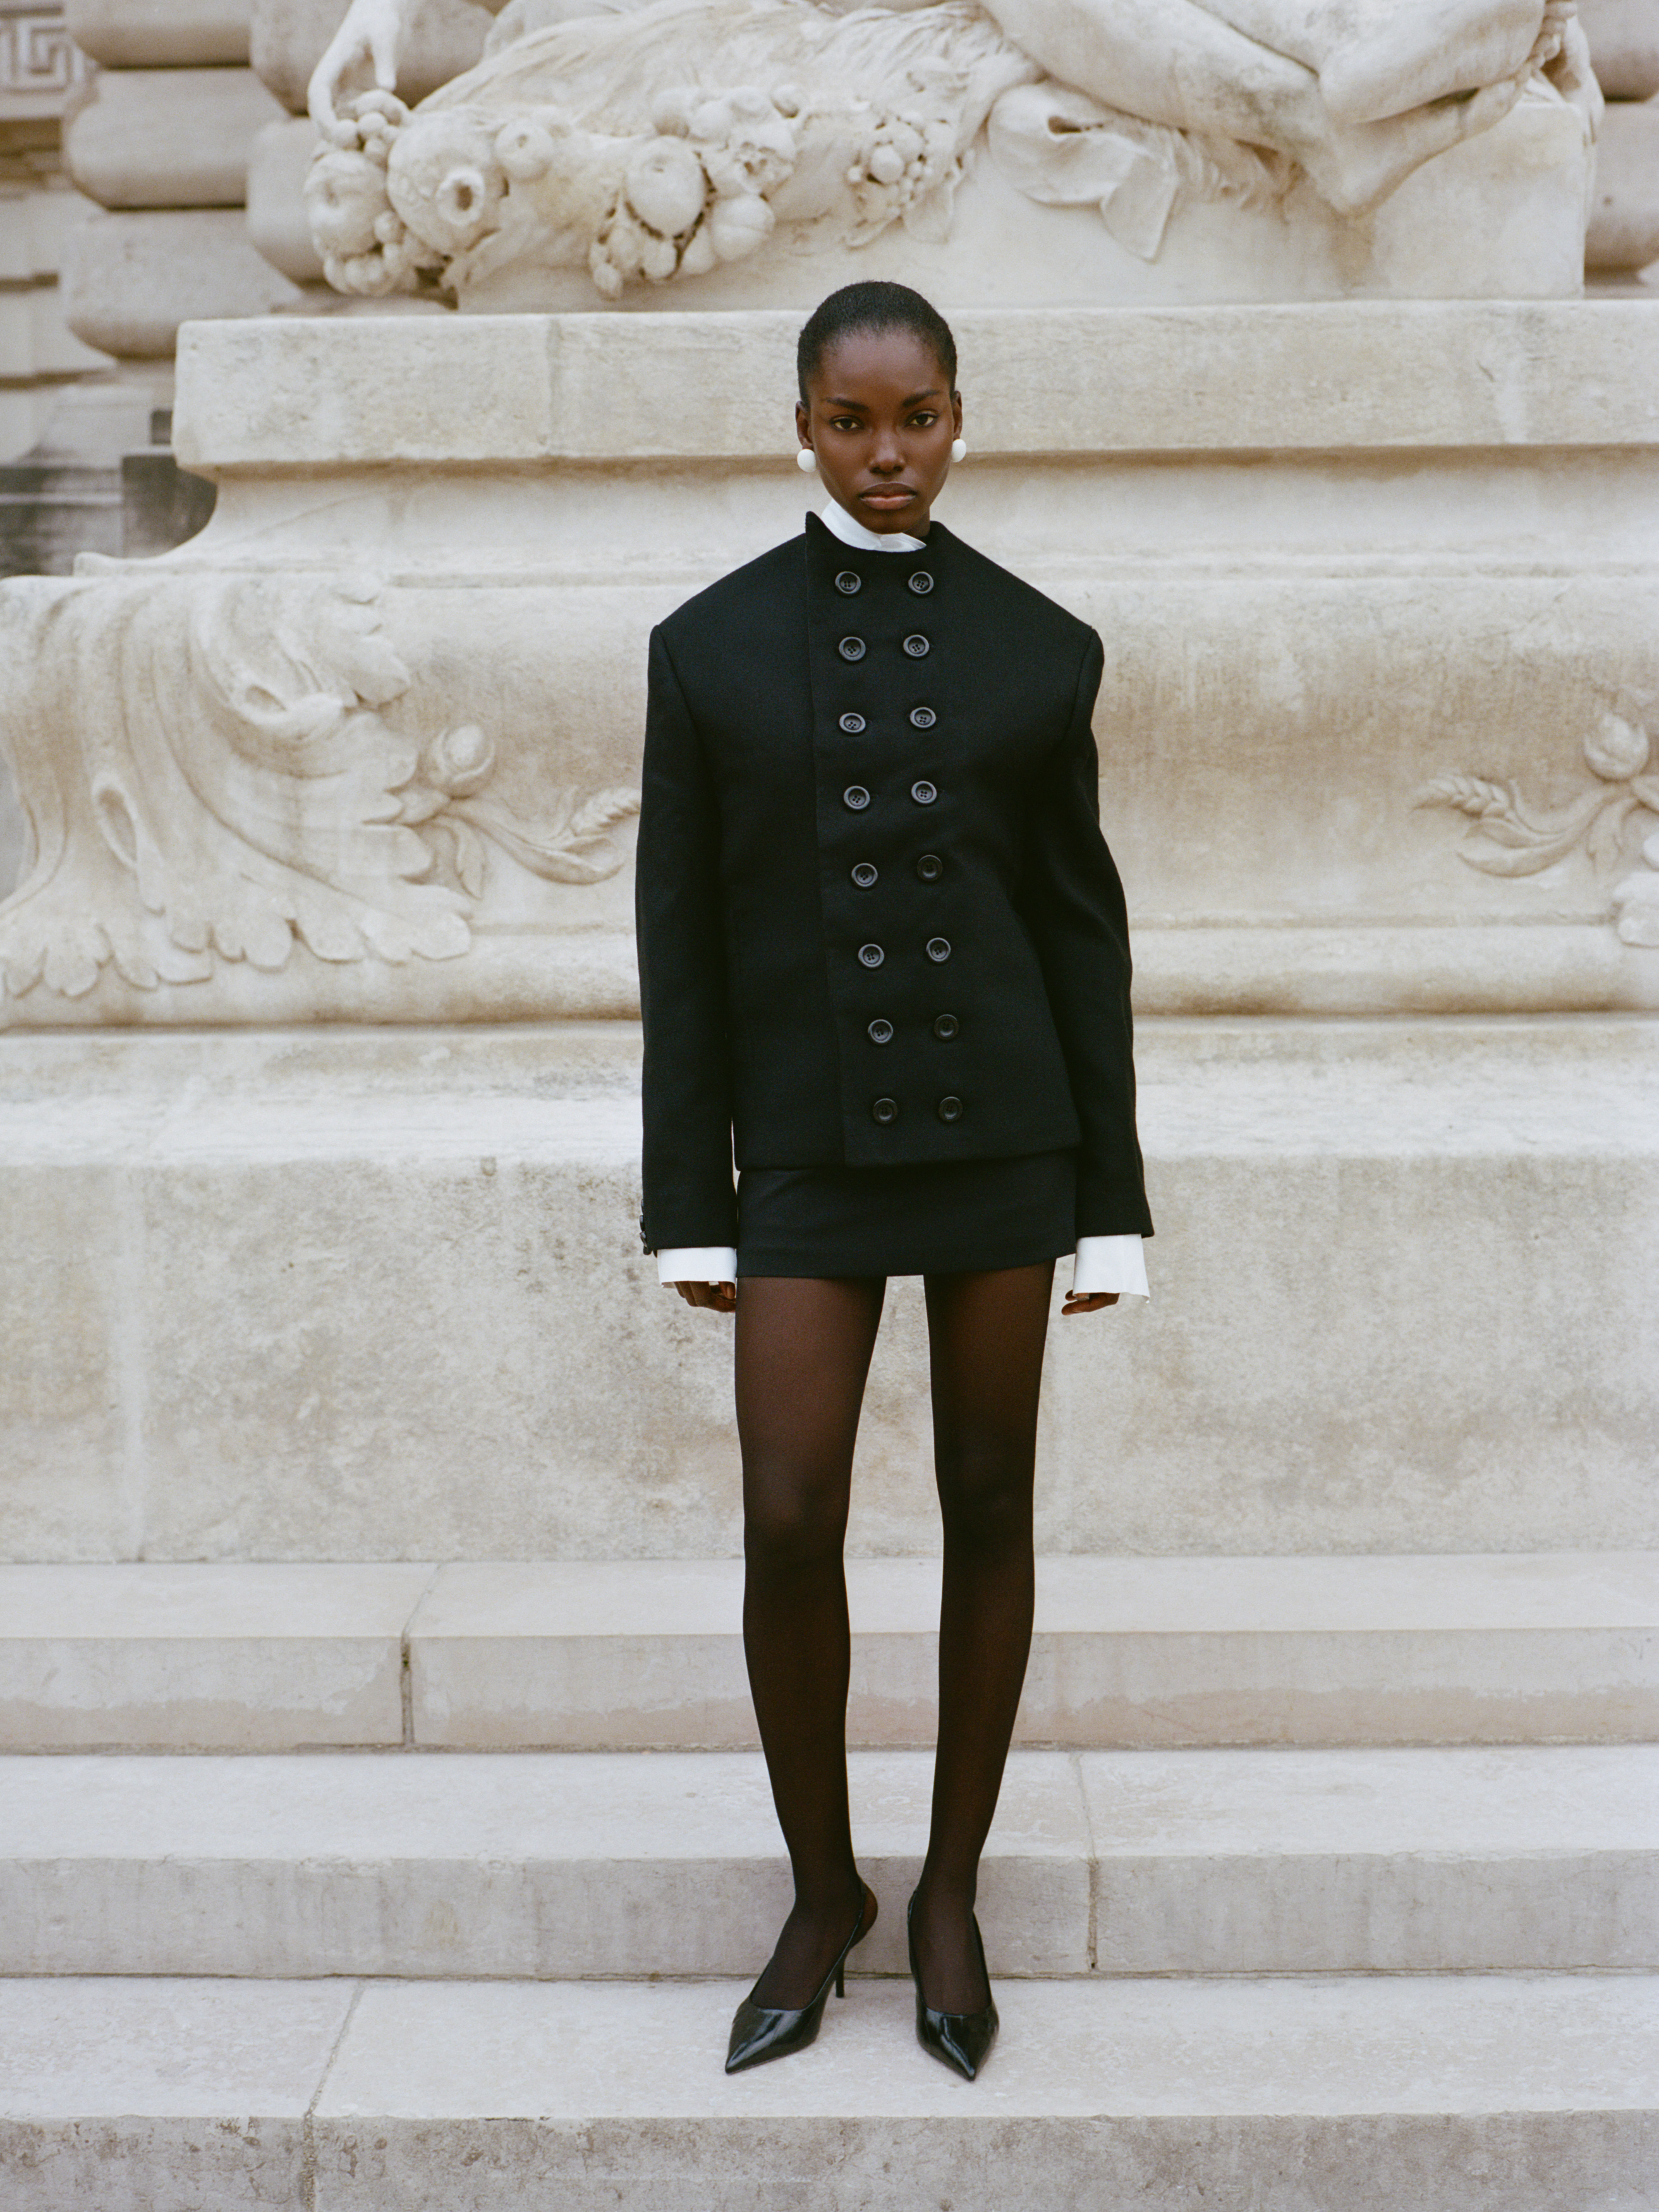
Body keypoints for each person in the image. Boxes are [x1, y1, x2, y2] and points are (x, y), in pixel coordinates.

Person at [635, 280, 1152, 2080]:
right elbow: (679, 949)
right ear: (799, 421)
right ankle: (820, 1885)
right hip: (800, 1156)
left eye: (915, 416)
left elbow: (1082, 942)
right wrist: (686, 1199)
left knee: (989, 1501)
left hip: (1006, 1143)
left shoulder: (1040, 646)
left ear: (957, 414)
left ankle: (945, 1891)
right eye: (850, 422)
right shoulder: (704, 648)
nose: (885, 456)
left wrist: (1115, 1202)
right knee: (787, 1509)